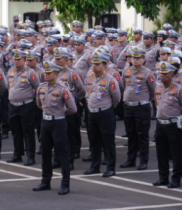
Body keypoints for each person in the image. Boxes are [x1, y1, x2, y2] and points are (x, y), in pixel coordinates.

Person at [33, 61, 76, 195]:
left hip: (58, 123)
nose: (45, 75)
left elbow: (72, 108)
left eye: (49, 73)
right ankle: (45, 181)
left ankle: (65, 184)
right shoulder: (41, 87)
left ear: (56, 74)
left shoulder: (63, 88)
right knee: (45, 153)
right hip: (45, 123)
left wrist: (60, 113)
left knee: (62, 153)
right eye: (45, 72)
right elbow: (39, 105)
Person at [83, 52, 121, 177]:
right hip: (92, 113)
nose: (94, 66)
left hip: (105, 112)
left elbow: (116, 98)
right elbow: (87, 93)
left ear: (104, 65)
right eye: (93, 63)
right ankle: (95, 166)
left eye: (97, 64)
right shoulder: (89, 77)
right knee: (94, 141)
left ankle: (110, 167)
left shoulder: (110, 79)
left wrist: (108, 107)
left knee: (108, 141)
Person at [153, 61, 182, 188]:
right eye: (161, 73)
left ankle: (176, 179)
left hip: (174, 125)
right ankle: (163, 178)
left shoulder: (179, 89)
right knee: (161, 152)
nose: (161, 75)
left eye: (165, 73)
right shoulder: (158, 88)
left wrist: (174, 117)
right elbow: (157, 104)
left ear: (172, 75)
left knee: (176, 154)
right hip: (160, 124)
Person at [120, 47, 155, 171]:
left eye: (138, 58)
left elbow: (153, 91)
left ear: (143, 59)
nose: (135, 60)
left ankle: (143, 161)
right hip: (128, 106)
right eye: (133, 57)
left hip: (142, 107)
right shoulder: (126, 71)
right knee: (131, 134)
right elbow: (123, 86)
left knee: (142, 135)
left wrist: (143, 99)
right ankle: (131, 160)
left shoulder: (148, 73)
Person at [7, 49, 40, 166]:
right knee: (16, 131)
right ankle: (17, 154)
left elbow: (38, 88)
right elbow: (7, 87)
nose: (16, 61)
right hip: (13, 106)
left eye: (18, 59)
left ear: (25, 60)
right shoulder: (10, 71)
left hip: (26, 105)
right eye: (14, 59)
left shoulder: (30, 73)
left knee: (28, 132)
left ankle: (30, 157)